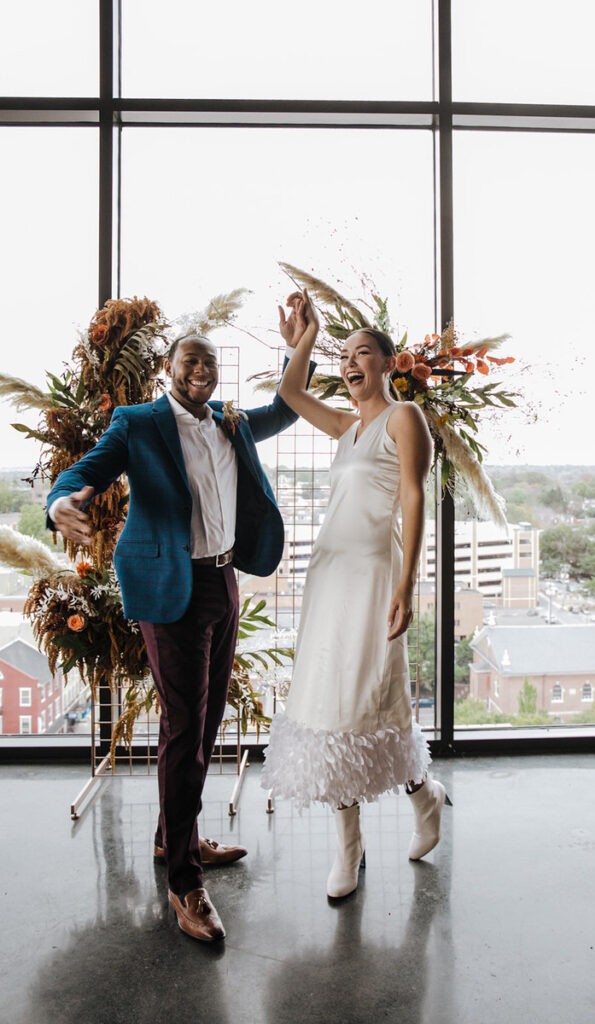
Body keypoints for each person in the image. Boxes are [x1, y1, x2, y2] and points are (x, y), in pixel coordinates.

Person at [47, 331, 313, 942]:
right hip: (170, 591)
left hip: (224, 583)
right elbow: (86, 471)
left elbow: (289, 402)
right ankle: (185, 884)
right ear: (169, 369)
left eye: (210, 362)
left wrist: (303, 343)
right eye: (190, 360)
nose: (201, 369)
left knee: (206, 720)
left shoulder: (231, 421)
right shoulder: (137, 423)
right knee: (184, 729)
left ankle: (176, 838)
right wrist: (62, 500)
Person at [261, 291, 450, 899]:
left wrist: (407, 585)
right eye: (345, 355)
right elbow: (290, 396)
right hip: (329, 578)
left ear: (389, 364)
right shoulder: (345, 427)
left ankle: (426, 798)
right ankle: (349, 848)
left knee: (373, 702)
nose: (351, 363)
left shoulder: (403, 419)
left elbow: (416, 500)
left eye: (363, 352)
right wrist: (307, 339)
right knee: (324, 708)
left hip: (374, 578)